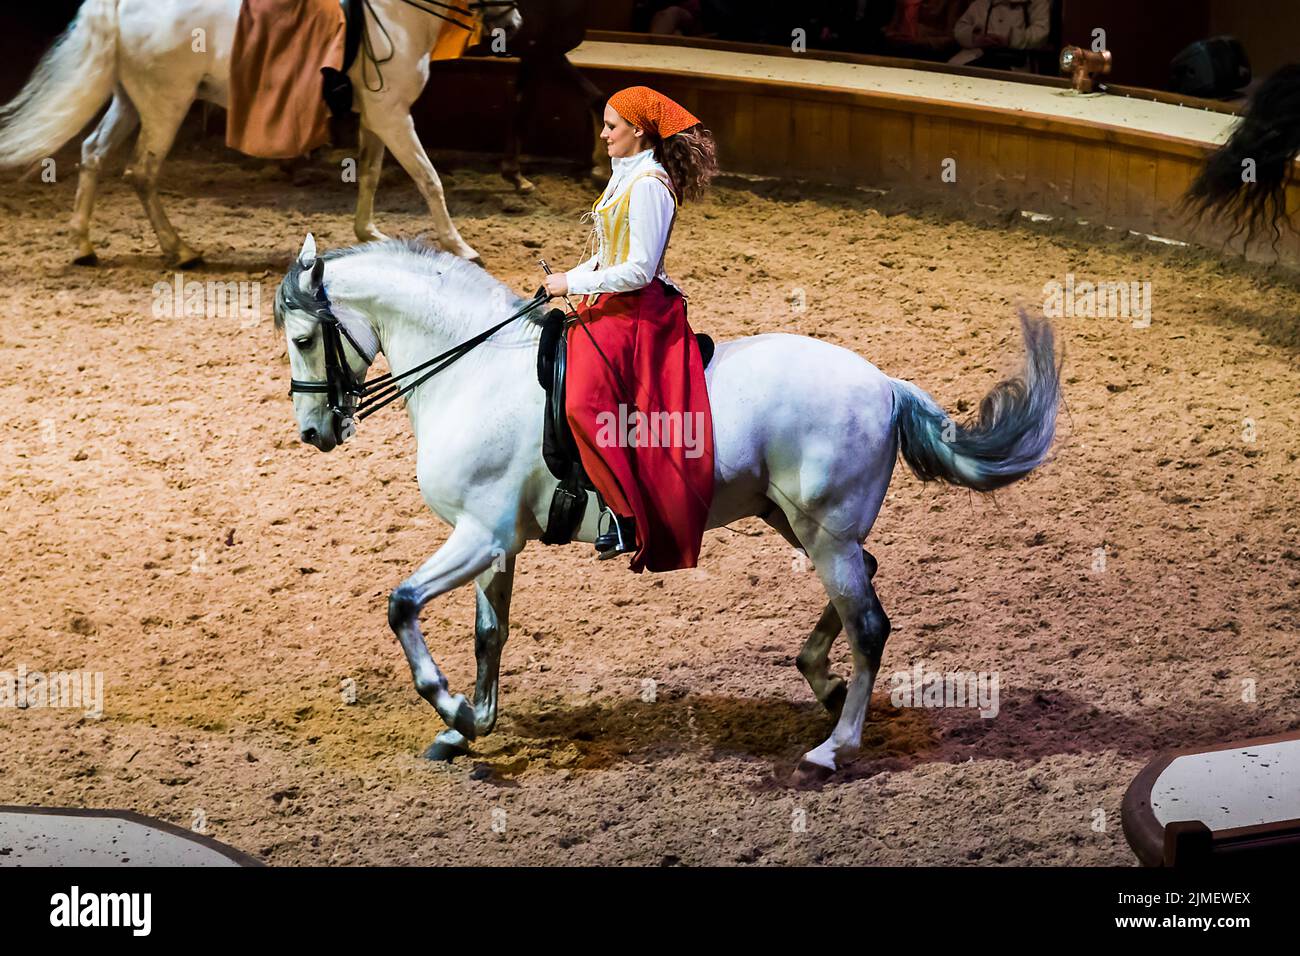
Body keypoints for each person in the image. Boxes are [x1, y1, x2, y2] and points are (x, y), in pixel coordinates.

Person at [541, 86, 718, 571]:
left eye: (611, 126)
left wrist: (576, 283)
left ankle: (623, 515)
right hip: (616, 298)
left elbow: (639, 268)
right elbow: (610, 253)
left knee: (582, 403)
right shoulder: (626, 178)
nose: (603, 134)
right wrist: (567, 280)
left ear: (639, 130)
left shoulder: (648, 185)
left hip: (641, 311)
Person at [950, 0, 1051, 70]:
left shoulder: (1037, 3)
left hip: (1014, 61)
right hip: (976, 57)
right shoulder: (983, 3)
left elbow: (1041, 34)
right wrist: (976, 38)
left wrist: (1011, 39)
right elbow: (960, 28)